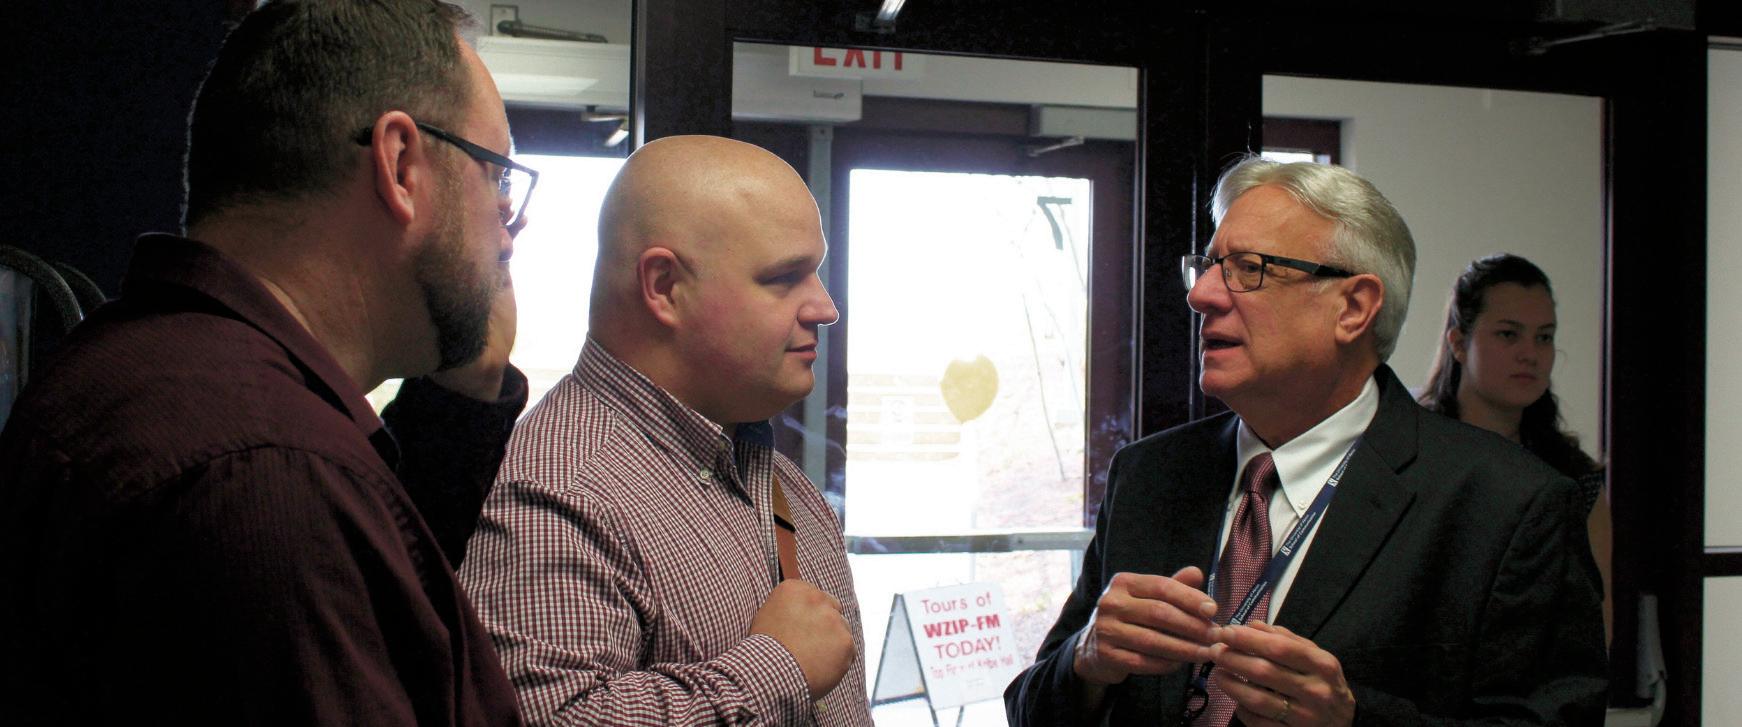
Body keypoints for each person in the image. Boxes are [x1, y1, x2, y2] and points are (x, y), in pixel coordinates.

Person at [0, 1, 533, 724]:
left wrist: (463, 401)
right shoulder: (266, 472)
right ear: (402, 165)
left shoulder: (149, 373)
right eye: (497, 177)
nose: (508, 229)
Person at [1005, 157, 1607, 726]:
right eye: (1208, 266)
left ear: (1354, 308)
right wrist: (1086, 661)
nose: (1202, 295)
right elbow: (1028, 709)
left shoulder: (1508, 504)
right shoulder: (1149, 475)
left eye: (1248, 269)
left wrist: (1353, 720)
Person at [457, 135, 870, 726]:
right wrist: (777, 669)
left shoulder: (782, 483)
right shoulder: (558, 494)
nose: (825, 308)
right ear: (664, 287)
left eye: (816, 274)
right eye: (785, 277)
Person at [1419, 253, 1612, 641]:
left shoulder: (1574, 479)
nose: (1530, 354)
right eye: (1509, 334)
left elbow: (1597, 627)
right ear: (1459, 343)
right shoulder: (1411, 454)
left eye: (1544, 337)